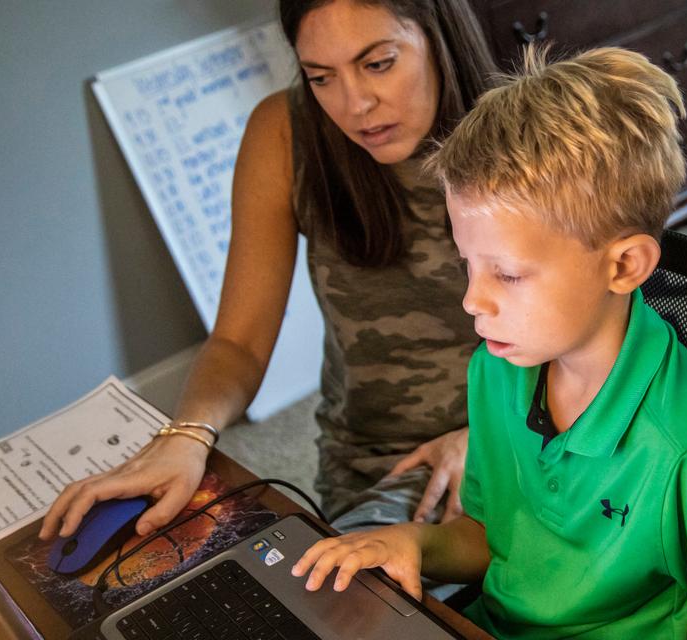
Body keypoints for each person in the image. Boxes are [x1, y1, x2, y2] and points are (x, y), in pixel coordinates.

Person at [289, 47, 687, 639]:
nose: (472, 301)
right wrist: (413, 542)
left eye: (507, 274)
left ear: (624, 267)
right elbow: (495, 539)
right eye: (469, 266)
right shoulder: (500, 369)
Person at [39, 0, 497, 545]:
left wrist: (487, 435)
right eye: (320, 77)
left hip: (525, 442)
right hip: (368, 461)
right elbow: (239, 341)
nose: (355, 105)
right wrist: (187, 435)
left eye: (378, 64)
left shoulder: (528, 134)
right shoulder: (284, 132)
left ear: (438, 34)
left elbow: (606, 341)